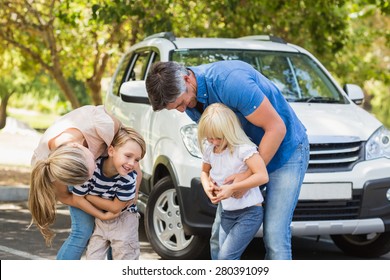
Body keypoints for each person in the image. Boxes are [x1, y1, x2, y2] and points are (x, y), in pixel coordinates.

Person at [145, 60, 310, 260]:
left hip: (285, 151)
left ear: (186, 78)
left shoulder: (230, 82)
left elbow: (277, 128)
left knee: (275, 235)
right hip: (246, 160)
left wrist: (246, 177)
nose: (181, 110)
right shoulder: (190, 99)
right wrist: (210, 179)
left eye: (180, 103)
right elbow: (220, 144)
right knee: (217, 236)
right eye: (175, 107)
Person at [28, 105, 142, 260]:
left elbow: (131, 149)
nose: (96, 167)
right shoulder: (52, 166)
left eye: (93, 165)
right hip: (83, 192)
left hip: (113, 179)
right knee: (83, 231)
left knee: (117, 236)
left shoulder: (101, 125)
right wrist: (101, 215)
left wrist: (133, 193)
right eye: (86, 176)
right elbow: (68, 197)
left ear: (78, 146)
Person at [198, 103, 268, 260]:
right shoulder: (210, 149)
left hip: (249, 213)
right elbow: (204, 171)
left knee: (225, 258)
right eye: (209, 137)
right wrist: (207, 187)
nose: (214, 141)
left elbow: (262, 176)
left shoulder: (243, 149)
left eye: (218, 137)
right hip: (227, 213)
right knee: (221, 258)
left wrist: (234, 187)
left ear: (229, 131)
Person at [72, 126, 146, 260]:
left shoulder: (129, 178)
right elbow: (77, 198)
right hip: (101, 220)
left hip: (125, 219)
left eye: (137, 160)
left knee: (124, 257)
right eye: (128, 156)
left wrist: (88, 196)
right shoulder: (91, 169)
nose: (131, 163)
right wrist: (102, 215)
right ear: (111, 150)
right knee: (93, 257)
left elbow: (116, 207)